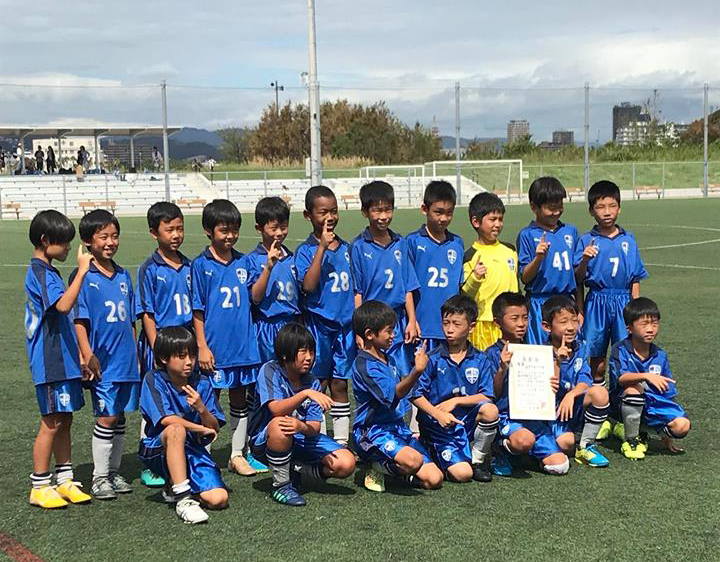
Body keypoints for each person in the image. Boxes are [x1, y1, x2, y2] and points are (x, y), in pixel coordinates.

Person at [25, 210, 95, 508]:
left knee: (65, 419)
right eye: (64, 243)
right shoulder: (39, 272)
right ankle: (40, 485)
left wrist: (79, 353)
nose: (69, 248)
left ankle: (64, 479)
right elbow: (64, 305)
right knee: (51, 422)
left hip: (63, 359)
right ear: (45, 240)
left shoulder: (49, 271)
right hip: (50, 361)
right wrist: (81, 271)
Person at [71, 210, 140, 500]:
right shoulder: (84, 276)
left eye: (114, 236)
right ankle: (99, 477)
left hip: (125, 359)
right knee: (107, 417)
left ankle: (113, 472)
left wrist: (136, 354)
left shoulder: (123, 274)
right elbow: (79, 320)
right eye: (103, 237)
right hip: (102, 360)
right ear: (88, 241)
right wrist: (87, 354)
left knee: (120, 416)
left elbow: (130, 320)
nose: (110, 242)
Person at [191, 199, 262, 477]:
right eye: (224, 230)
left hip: (242, 347)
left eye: (234, 230)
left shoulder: (244, 261)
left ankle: (236, 454)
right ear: (209, 230)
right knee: (209, 400)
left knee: (239, 400)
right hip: (215, 349)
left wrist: (266, 268)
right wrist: (202, 346)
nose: (230, 236)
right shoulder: (200, 265)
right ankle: (204, 454)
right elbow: (198, 310)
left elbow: (255, 297)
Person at [249, 323, 356, 506]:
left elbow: (314, 427)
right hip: (266, 440)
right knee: (280, 424)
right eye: (303, 352)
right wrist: (304, 394)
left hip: (301, 437)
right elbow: (275, 409)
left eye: (312, 352)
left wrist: (301, 426)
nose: (309, 358)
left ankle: (296, 469)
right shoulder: (270, 370)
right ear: (285, 354)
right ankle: (281, 485)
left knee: (346, 463)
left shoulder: (312, 381)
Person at [139, 327, 228, 524]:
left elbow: (214, 427)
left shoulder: (202, 383)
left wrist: (201, 409)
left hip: (192, 449)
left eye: (192, 355)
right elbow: (166, 420)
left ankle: (176, 484)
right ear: (163, 358)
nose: (189, 362)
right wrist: (199, 428)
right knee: (175, 430)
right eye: (181, 356)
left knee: (218, 499)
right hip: (158, 448)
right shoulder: (153, 379)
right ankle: (183, 499)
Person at [352, 300, 443, 492]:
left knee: (434, 479)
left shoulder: (389, 358)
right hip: (372, 431)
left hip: (397, 429)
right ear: (369, 334)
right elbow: (394, 395)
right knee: (413, 460)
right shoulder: (364, 365)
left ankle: (395, 471)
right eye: (389, 331)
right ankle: (376, 466)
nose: (394, 335)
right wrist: (417, 371)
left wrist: (437, 414)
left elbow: (410, 392)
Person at [410, 295, 498, 483]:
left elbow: (487, 395)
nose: (449, 329)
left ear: (471, 327)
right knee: (462, 475)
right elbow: (415, 395)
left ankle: (478, 461)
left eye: (456, 324)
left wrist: (456, 401)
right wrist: (437, 414)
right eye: (446, 323)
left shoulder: (480, 359)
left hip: (464, 424)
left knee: (490, 411)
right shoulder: (432, 358)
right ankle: (428, 446)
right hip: (439, 427)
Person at [135, 202, 192, 487]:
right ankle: (150, 460)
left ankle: (182, 452)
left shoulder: (189, 266)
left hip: (185, 345)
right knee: (154, 403)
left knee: (180, 399)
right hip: (160, 347)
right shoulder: (149, 269)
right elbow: (147, 313)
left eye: (179, 228)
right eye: (169, 229)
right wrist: (159, 349)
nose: (176, 234)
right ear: (154, 232)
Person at [294, 186, 356, 446]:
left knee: (340, 384)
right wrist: (321, 248)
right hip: (318, 327)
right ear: (309, 215)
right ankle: (316, 439)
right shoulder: (306, 250)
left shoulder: (348, 248)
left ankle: (341, 440)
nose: (329, 217)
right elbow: (308, 286)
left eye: (334, 211)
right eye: (323, 212)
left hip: (345, 328)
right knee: (317, 383)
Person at [485, 292, 568, 476]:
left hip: (534, 416)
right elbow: (493, 395)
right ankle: (499, 449)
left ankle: (526, 456)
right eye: (514, 318)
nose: (521, 324)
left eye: (525, 318)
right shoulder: (491, 354)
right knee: (523, 440)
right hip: (508, 416)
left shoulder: (537, 351)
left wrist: (557, 365)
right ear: (497, 322)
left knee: (559, 466)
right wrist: (501, 369)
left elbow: (550, 387)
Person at [574, 180, 648, 385]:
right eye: (600, 207)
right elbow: (578, 279)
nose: (607, 212)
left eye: (612, 206)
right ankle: (597, 397)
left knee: (624, 352)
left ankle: (620, 398)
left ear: (619, 208)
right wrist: (584, 261)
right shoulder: (586, 240)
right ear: (591, 211)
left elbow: (635, 278)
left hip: (623, 301)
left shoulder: (628, 240)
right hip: (596, 301)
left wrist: (636, 309)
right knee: (596, 356)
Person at [350, 181, 420, 376]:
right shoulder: (358, 246)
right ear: (365, 211)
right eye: (377, 211)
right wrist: (359, 329)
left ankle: (403, 408)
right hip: (371, 322)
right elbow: (358, 292)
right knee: (375, 373)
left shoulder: (401, 243)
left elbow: (407, 287)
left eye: (387, 210)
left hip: (397, 320)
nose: (383, 216)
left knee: (401, 374)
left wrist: (412, 321)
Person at [607, 298, 691, 460]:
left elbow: (667, 391)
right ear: (629, 328)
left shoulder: (660, 355)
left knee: (682, 426)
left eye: (654, 324)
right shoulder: (620, 349)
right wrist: (646, 376)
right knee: (634, 389)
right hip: (621, 403)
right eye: (644, 324)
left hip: (652, 405)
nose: (650, 329)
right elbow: (621, 378)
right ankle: (631, 440)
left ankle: (640, 429)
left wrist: (667, 431)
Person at [541, 296, 610, 468]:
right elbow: (548, 391)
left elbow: (585, 380)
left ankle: (586, 446)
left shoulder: (580, 347)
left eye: (574, 320)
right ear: (547, 327)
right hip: (552, 412)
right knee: (566, 444)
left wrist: (572, 395)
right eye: (563, 322)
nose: (571, 327)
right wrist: (558, 361)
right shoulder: (540, 353)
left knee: (600, 393)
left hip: (572, 405)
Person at [516, 177, 579, 344]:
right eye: (551, 208)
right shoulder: (527, 235)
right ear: (534, 207)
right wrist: (538, 258)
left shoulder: (570, 231)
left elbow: (578, 276)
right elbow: (525, 277)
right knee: (541, 356)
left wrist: (580, 308)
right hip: (539, 304)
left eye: (560, 207)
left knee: (569, 354)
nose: (556, 212)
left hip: (567, 302)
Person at [406, 180, 464, 351]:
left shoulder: (457, 243)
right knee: (420, 374)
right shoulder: (413, 241)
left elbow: (459, 285)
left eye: (449, 213)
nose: (444, 218)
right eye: (438, 212)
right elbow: (407, 287)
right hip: (423, 326)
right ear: (425, 209)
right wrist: (412, 320)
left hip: (450, 329)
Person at [461, 192, 519, 351]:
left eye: (500, 219)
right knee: (487, 369)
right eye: (492, 219)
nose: (498, 224)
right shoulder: (469, 256)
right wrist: (476, 278)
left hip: (510, 322)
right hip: (483, 323)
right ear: (476, 222)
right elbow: (465, 294)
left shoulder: (510, 251)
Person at [248, 197, 300, 365]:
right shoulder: (252, 260)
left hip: (292, 325)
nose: (279, 233)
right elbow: (255, 298)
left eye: (284, 227)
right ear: (259, 228)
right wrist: (269, 267)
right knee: (268, 377)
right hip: (267, 328)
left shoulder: (293, 258)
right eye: (274, 228)